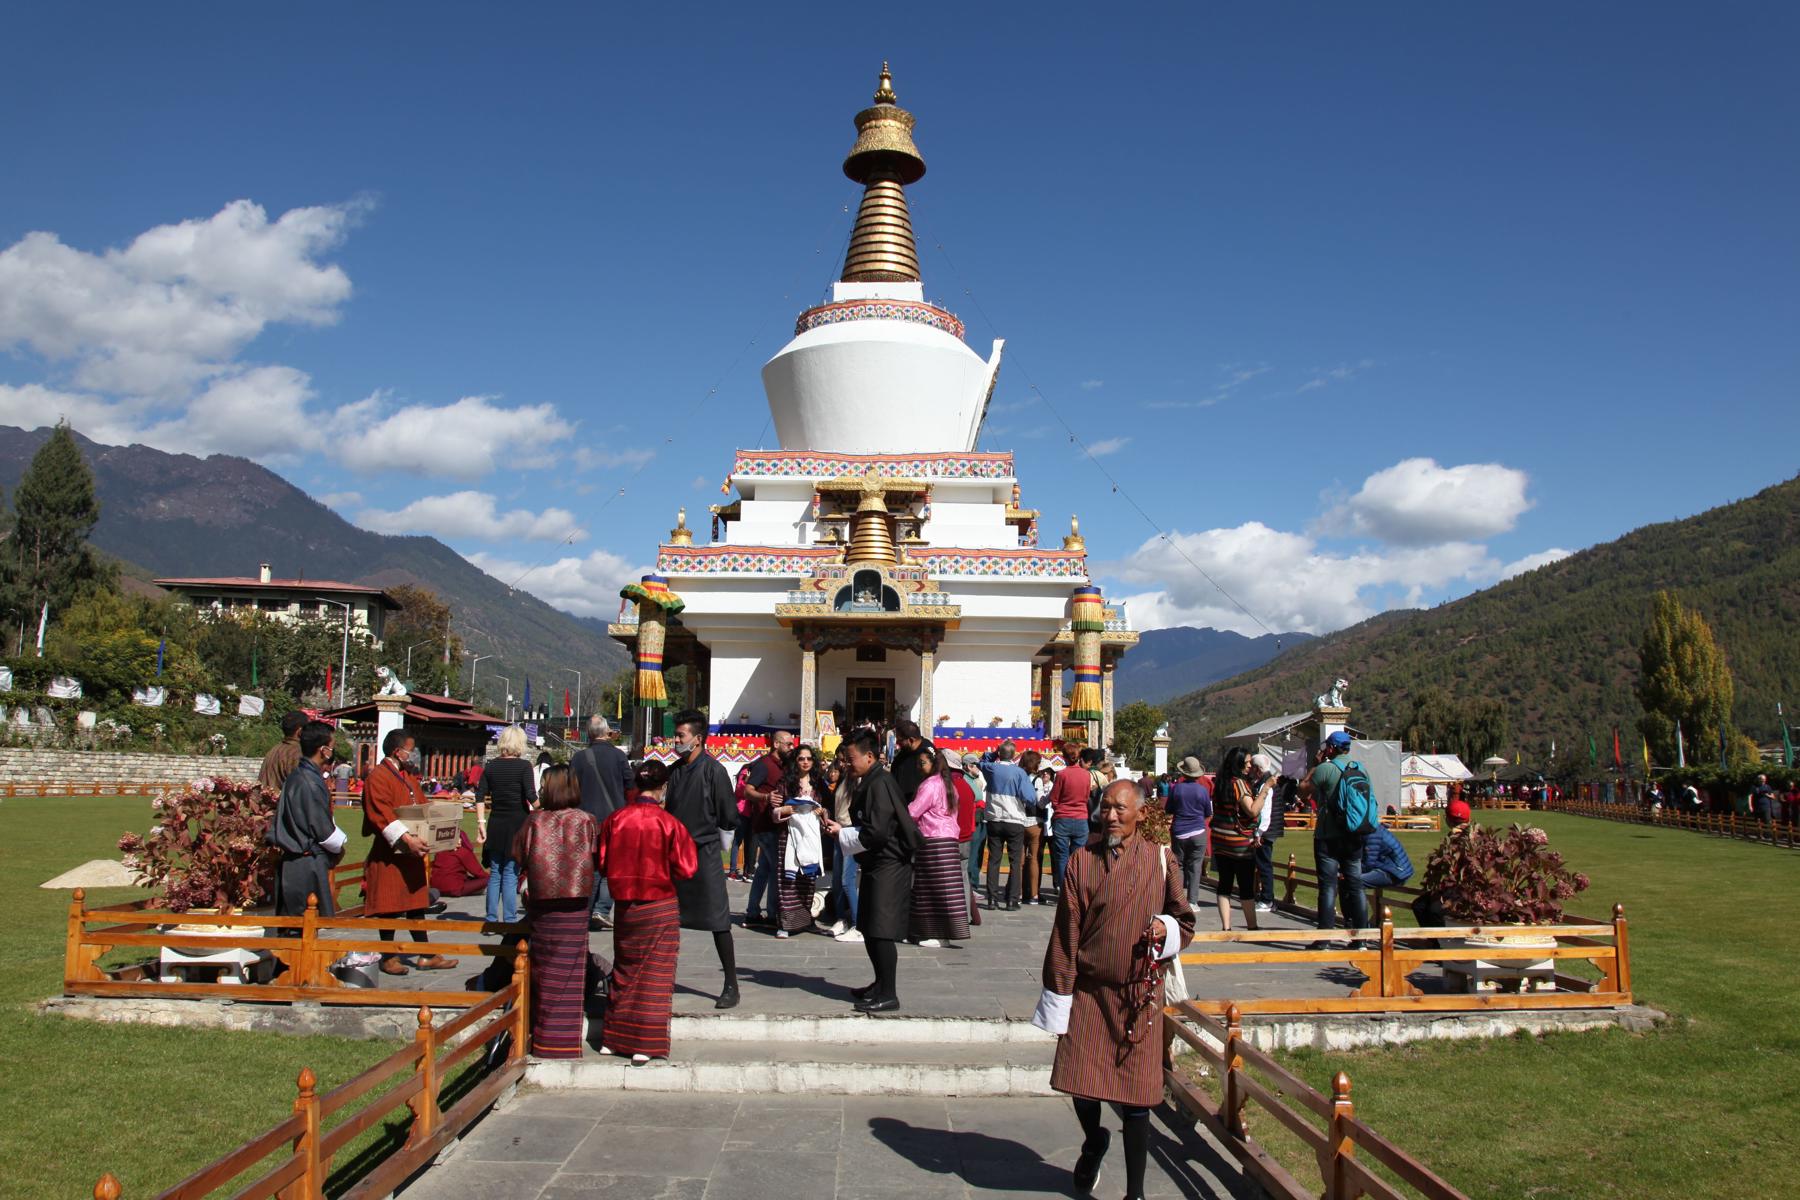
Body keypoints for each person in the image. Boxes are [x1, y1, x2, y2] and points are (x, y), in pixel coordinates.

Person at [1033, 779, 1194, 1200]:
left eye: (1121, 809)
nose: (1112, 816)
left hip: (1139, 994)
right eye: (1106, 808)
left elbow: (1186, 919)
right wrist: (1060, 992)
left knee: (1137, 1097)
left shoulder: (1161, 860)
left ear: (1141, 814)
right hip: (1089, 991)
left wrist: (1168, 927)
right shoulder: (1082, 861)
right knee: (1079, 1082)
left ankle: (1135, 1192)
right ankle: (1093, 1140)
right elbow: (1066, 933)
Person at [596, 760, 699, 1064]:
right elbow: (687, 867)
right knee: (654, 974)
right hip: (659, 904)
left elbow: (602, 862)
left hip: (626, 907)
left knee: (625, 971)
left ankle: (613, 1040)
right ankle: (644, 1042)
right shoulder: (669, 823)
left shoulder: (616, 819)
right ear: (663, 786)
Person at [821, 728, 922, 1013]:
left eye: (850, 758)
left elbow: (877, 832)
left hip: (889, 862)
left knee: (881, 930)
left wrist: (843, 835)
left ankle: (889, 992)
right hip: (876, 862)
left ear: (869, 756)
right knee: (869, 925)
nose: (846, 764)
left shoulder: (880, 783)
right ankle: (879, 983)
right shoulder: (872, 779)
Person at [510, 765, 600, 1059]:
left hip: (544, 903)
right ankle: (565, 1041)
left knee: (546, 971)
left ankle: (548, 1040)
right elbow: (598, 858)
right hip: (575, 903)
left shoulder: (535, 821)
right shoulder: (587, 821)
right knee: (570, 972)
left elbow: (518, 854)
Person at [663, 709, 741, 1008]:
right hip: (676, 855)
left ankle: (731, 984)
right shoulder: (676, 770)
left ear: (697, 739)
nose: (676, 740)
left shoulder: (714, 771)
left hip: (705, 853)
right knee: (669, 920)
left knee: (719, 920)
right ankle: (664, 977)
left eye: (680, 736)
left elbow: (728, 815)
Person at [362, 729, 455, 975]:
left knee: (416, 905)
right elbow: (381, 814)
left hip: (411, 852)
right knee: (389, 905)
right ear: (396, 751)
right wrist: (406, 839)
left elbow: (423, 808)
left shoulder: (407, 776)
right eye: (409, 750)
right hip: (390, 851)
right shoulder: (378, 777)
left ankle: (426, 954)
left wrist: (441, 835)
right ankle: (388, 956)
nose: (412, 754)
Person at [268, 721, 347, 919]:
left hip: (298, 858)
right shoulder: (308, 781)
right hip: (305, 860)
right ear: (323, 750)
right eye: (332, 747)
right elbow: (322, 828)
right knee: (303, 923)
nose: (332, 751)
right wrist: (339, 845)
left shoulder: (301, 776)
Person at [569, 716, 632, 930]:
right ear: (607, 732)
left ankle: (587, 910)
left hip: (585, 820)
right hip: (614, 819)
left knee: (592, 866)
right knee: (612, 866)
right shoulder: (618, 756)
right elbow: (630, 785)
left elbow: (571, 790)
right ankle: (601, 909)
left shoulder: (578, 758)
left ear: (589, 732)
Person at [474, 725, 538, 925]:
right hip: (517, 824)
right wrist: (546, 805)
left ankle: (491, 918)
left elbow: (479, 796)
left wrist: (481, 823)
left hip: (495, 823)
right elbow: (530, 796)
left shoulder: (491, 766)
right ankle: (509, 919)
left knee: (495, 873)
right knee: (511, 872)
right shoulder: (524, 767)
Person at [907, 749, 970, 946]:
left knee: (931, 890)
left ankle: (935, 933)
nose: (919, 767)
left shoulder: (930, 785)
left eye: (923, 762)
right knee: (947, 890)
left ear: (933, 763)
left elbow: (914, 811)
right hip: (949, 838)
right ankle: (943, 933)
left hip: (933, 839)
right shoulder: (949, 784)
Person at [1310, 731, 1370, 935]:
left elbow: (1302, 790)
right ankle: (1362, 938)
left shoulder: (1326, 769)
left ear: (1331, 748)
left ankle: (1325, 937)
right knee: (1356, 885)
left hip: (1328, 834)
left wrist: (1314, 765)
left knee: (1328, 887)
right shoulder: (1360, 768)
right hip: (1354, 834)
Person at [771, 744, 828, 938]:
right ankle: (786, 923)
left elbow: (826, 810)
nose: (805, 762)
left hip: (810, 836)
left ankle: (806, 920)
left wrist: (821, 812)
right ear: (795, 761)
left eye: (809, 758)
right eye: (801, 758)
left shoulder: (819, 784)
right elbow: (774, 811)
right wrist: (787, 810)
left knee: (807, 880)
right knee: (788, 879)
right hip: (789, 836)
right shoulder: (785, 783)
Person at [743, 730, 794, 927]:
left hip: (776, 824)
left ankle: (753, 912)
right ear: (776, 744)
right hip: (766, 825)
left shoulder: (783, 765)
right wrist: (765, 797)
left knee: (764, 869)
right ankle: (773, 915)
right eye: (788, 744)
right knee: (776, 869)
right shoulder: (764, 765)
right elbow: (748, 790)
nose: (791, 747)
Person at [1209, 747, 1264, 932]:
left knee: (1225, 883)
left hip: (1220, 838)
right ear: (1238, 763)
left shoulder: (1221, 783)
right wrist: (1266, 790)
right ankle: (1252, 925)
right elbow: (1252, 810)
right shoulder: (1239, 783)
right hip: (1239, 841)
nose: (1249, 766)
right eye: (1247, 762)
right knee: (1246, 884)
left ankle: (1226, 926)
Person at [978, 741, 1035, 911]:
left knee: (994, 860)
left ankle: (992, 899)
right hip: (1014, 820)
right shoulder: (1019, 773)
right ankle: (1011, 900)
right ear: (1014, 754)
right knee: (1015, 861)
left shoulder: (991, 768)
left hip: (994, 819)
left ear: (999, 753)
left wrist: (995, 753)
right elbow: (1030, 797)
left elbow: (982, 760)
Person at [1164, 756, 1212, 914]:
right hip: (1198, 830)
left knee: (1178, 865)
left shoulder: (1176, 788)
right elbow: (1208, 812)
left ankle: (1178, 898)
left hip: (1180, 831)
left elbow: (1169, 809)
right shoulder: (1202, 790)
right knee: (1195, 866)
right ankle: (1192, 901)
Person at [825, 747, 863, 942]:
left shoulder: (858, 780)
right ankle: (842, 918)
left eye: (846, 760)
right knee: (837, 880)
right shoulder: (843, 780)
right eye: (840, 760)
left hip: (850, 833)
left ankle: (859, 923)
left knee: (848, 880)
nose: (843, 764)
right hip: (838, 834)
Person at [1045, 751, 1095, 897]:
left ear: (1065, 758)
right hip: (1080, 817)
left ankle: (1064, 890)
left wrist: (1058, 807)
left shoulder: (1062, 774)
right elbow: (1086, 796)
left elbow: (1054, 797)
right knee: (1077, 857)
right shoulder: (1086, 775)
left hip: (1063, 818)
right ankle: (1076, 890)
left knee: (1061, 856)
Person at [1018, 750, 1049, 904]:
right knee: (1034, 859)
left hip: (1018, 820)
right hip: (1034, 822)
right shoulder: (1036, 780)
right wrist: (1049, 797)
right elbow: (1039, 802)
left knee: (1020, 859)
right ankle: (1034, 894)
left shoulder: (1017, 777)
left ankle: (1017, 892)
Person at [429, 828, 490, 899]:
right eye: (458, 838)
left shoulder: (440, 851)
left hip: (436, 888)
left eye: (460, 838)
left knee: (469, 879)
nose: (460, 840)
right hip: (454, 889)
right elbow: (478, 872)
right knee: (491, 879)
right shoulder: (462, 852)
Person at [259, 710, 307, 793]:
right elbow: (301, 790)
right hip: (279, 804)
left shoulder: (274, 749)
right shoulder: (297, 753)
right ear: (300, 731)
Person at [1359, 824, 1414, 891]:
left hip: (1395, 873)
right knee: (1350, 879)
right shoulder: (1369, 828)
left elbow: (1369, 863)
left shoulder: (1372, 833)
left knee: (1355, 882)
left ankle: (1359, 902)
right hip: (1386, 866)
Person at [891, 719, 934, 800]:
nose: (897, 742)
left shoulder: (928, 752)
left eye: (900, 740)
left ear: (911, 740)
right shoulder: (903, 753)